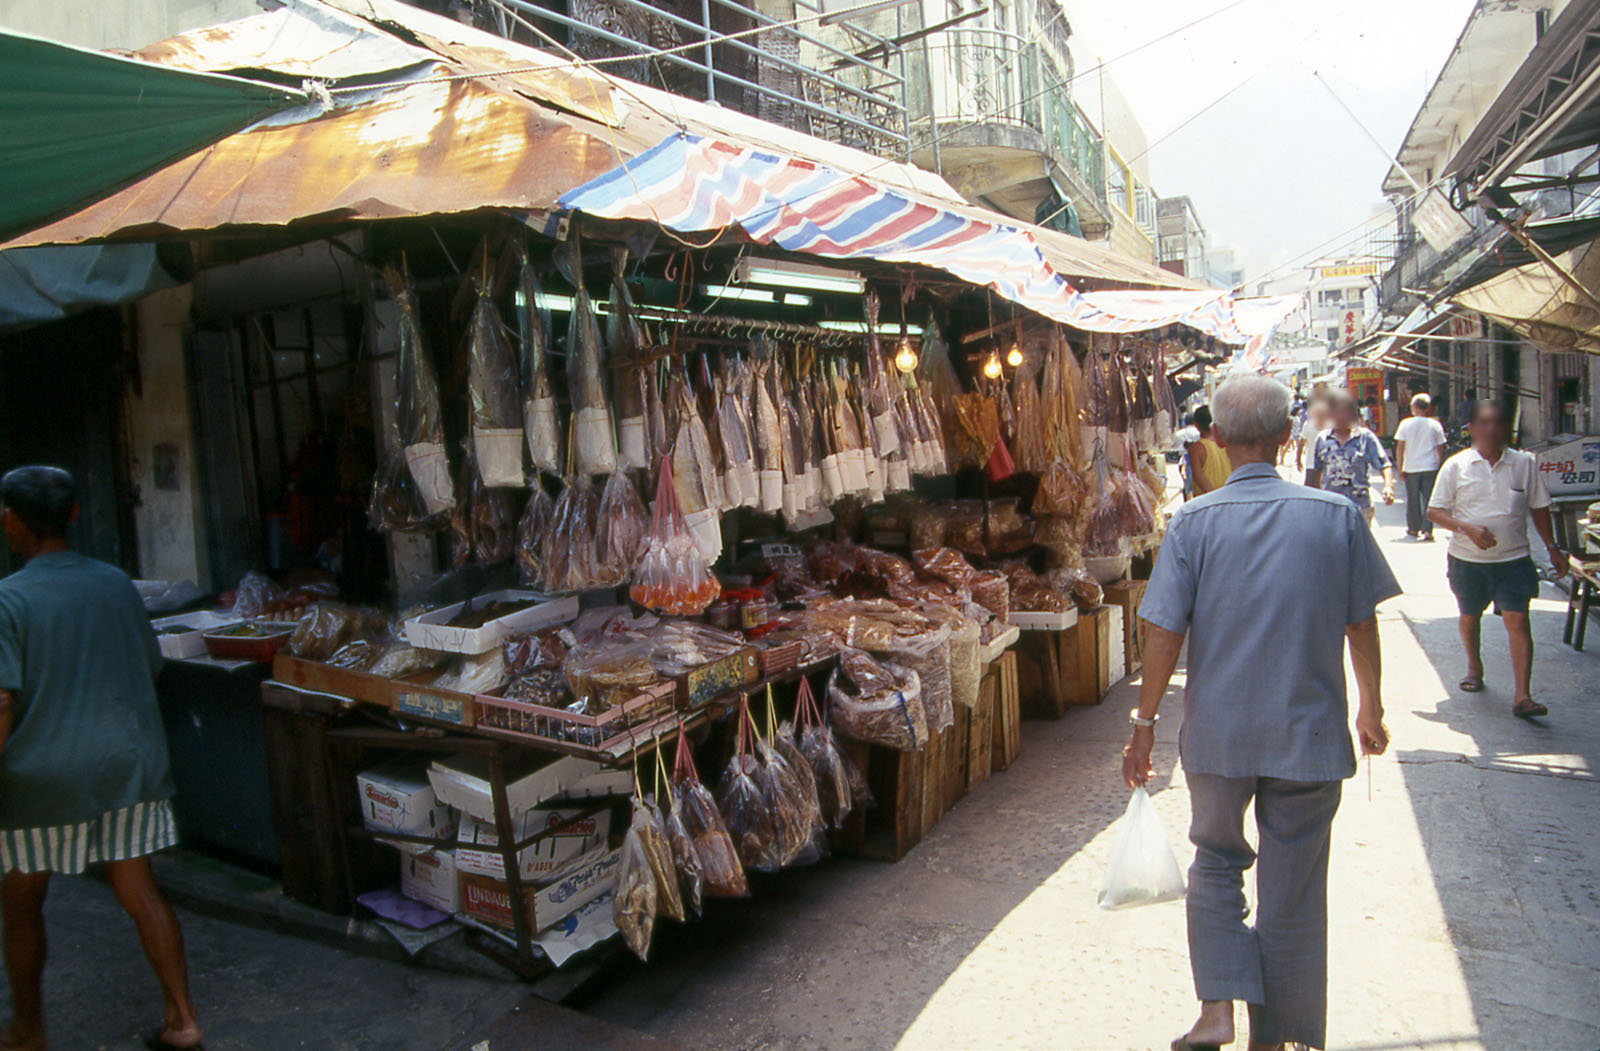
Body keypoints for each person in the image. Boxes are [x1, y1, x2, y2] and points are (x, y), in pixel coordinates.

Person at [1126, 374, 1399, 1051]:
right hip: (1307, 734)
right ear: (1287, 435)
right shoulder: (1335, 516)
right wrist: (1372, 706)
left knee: (1215, 861)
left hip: (1219, 732)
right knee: (1294, 887)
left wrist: (1144, 723)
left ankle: (1217, 1007)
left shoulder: (1193, 520)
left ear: (1216, 437)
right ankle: (1272, 1035)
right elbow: (1361, 624)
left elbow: (1163, 630)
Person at [0, 466, 202, 1051]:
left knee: (20, 898)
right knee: (140, 891)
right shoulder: (116, 584)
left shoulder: (8, 599)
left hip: (41, 777)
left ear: (11, 520)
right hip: (128, 766)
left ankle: (29, 1029)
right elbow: (151, 665)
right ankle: (183, 1020)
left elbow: (1, 701)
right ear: (73, 516)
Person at [1427, 401, 1569, 718]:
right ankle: (1474, 667)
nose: (1492, 429)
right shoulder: (1456, 465)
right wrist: (1467, 528)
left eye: (1498, 423)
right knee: (1469, 617)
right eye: (1485, 423)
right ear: (1472, 429)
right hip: (1468, 560)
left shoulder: (1524, 463)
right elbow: (1434, 511)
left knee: (1518, 620)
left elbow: (1539, 507)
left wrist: (1552, 547)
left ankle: (1522, 696)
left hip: (1514, 559)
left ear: (1507, 428)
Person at [1306, 390, 1394, 524]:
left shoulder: (1365, 437)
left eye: (1345, 412)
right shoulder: (1323, 439)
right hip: (1331, 507)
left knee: (1359, 543)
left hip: (1360, 506)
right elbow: (1317, 471)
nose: (1341, 416)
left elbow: (1384, 464)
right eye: (1337, 411)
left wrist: (1388, 486)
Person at [1393, 393, 1447, 541]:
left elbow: (1400, 447)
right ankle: (1428, 530)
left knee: (1413, 499)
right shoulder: (1435, 424)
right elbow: (1440, 447)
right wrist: (1438, 462)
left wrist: (1400, 468)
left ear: (1415, 407)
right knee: (1429, 499)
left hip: (1411, 467)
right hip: (1430, 466)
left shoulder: (1406, 424)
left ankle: (1413, 529)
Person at [1188, 405, 1233, 496]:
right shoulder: (1228, 443)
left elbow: (1198, 477)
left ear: (1196, 425)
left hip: (1207, 501)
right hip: (1229, 494)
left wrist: (1214, 497)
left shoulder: (1196, 448)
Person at [1176, 413, 1202, 500]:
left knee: (1187, 483)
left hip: (1183, 460)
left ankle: (1188, 497)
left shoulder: (1179, 434)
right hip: (1197, 459)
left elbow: (1173, 447)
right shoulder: (1199, 433)